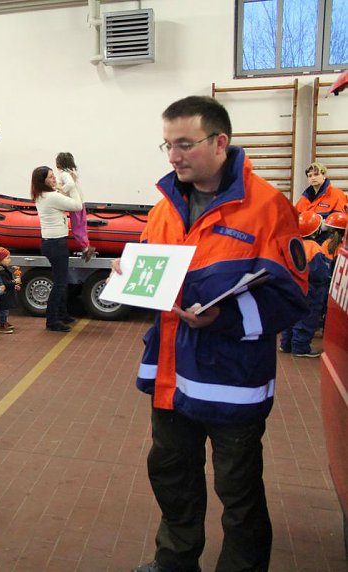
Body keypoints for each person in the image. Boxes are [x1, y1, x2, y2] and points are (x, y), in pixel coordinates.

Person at [124, 96, 308, 572]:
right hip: (171, 374)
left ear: (220, 141)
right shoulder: (166, 206)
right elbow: (153, 269)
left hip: (231, 381)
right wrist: (133, 273)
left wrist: (222, 318)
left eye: (184, 144)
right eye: (167, 145)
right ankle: (175, 561)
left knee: (239, 492)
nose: (174, 156)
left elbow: (291, 298)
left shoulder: (267, 207)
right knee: (171, 475)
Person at [31, 166, 83, 332]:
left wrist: (65, 186)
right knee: (60, 282)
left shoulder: (42, 195)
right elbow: (77, 205)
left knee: (61, 280)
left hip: (51, 242)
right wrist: (72, 185)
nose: (55, 180)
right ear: (43, 181)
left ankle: (62, 314)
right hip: (55, 244)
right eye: (51, 177)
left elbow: (64, 197)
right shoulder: (51, 197)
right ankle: (52, 320)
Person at [279, 212, 329, 358]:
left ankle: (285, 344)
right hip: (310, 290)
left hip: (290, 288)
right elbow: (320, 273)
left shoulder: (290, 244)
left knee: (290, 316)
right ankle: (300, 347)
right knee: (307, 318)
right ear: (315, 231)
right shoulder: (314, 248)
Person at [56, 152, 96, 262]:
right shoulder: (73, 172)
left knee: (77, 227)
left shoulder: (64, 174)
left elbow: (70, 185)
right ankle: (86, 247)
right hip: (81, 201)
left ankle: (86, 248)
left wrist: (61, 190)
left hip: (75, 203)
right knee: (81, 226)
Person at [0, 246, 20, 333]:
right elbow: (5, 282)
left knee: (5, 310)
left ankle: (4, 321)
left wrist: (13, 286)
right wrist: (14, 282)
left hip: (6, 294)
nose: (9, 260)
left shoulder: (3, 269)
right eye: (7, 258)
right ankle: (2, 324)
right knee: (3, 310)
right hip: (3, 295)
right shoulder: (1, 271)